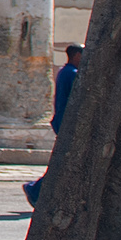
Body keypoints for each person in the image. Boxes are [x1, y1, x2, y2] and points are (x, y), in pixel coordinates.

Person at [24, 44, 83, 207]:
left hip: (63, 122)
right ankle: (35, 189)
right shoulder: (72, 74)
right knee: (64, 162)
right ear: (77, 55)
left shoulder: (66, 72)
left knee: (66, 162)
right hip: (66, 124)